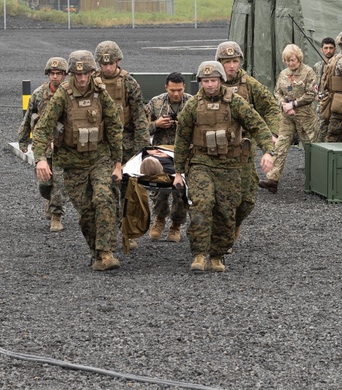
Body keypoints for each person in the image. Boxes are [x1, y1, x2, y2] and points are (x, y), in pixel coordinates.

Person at [173, 61, 275, 273]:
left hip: (229, 166)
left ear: (220, 81)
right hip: (201, 163)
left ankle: (217, 254)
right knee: (201, 203)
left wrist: (268, 151)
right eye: (205, 81)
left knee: (226, 211)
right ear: (200, 82)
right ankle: (199, 253)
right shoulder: (193, 106)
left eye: (213, 80)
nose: (210, 85)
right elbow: (181, 139)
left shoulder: (235, 102)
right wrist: (178, 171)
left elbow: (257, 125)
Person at [31, 50, 125, 271]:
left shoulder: (101, 93)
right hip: (72, 163)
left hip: (99, 158)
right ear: (71, 73)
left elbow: (114, 127)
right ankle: (96, 253)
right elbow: (43, 128)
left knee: (104, 199)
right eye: (77, 74)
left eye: (86, 74)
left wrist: (118, 163)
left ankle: (107, 252)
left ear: (93, 72)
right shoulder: (62, 96)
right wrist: (40, 159)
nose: (82, 79)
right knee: (86, 211)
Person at [215, 41, 280, 240]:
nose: (231, 66)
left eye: (234, 61)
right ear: (219, 62)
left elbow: (270, 107)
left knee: (246, 197)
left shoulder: (249, 85)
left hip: (243, 149)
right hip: (216, 150)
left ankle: (235, 223)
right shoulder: (211, 83)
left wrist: (273, 133)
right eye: (227, 62)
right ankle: (219, 231)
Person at [93, 40, 150, 247]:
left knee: (128, 189)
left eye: (111, 63)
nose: (107, 68)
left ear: (118, 61)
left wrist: (143, 150)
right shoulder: (90, 82)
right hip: (100, 144)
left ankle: (127, 230)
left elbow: (139, 117)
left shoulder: (129, 83)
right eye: (103, 64)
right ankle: (111, 229)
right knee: (107, 190)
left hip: (125, 143)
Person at [259, 44, 319, 193]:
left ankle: (317, 181)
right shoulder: (284, 74)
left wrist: (294, 104)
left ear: (298, 58)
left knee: (311, 148)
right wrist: (283, 104)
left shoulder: (308, 72)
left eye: (292, 60)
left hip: (306, 117)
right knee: (280, 146)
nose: (290, 63)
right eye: (287, 61)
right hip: (287, 117)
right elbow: (277, 92)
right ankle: (272, 179)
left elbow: (311, 94)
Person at [18, 56, 69, 232]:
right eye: (52, 73)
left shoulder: (70, 94)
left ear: (65, 75)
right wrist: (23, 140)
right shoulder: (39, 94)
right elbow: (28, 118)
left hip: (64, 147)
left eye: (59, 73)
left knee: (60, 183)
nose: (55, 77)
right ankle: (50, 201)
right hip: (44, 147)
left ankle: (56, 217)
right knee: (45, 184)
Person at [144, 72, 189, 241]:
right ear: (166, 88)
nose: (176, 94)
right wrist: (156, 124)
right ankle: (159, 219)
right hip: (161, 153)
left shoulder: (192, 102)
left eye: (179, 90)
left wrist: (183, 126)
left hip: (183, 154)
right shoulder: (156, 103)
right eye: (172, 90)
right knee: (159, 190)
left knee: (180, 191)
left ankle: (176, 225)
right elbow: (141, 128)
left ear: (184, 87)